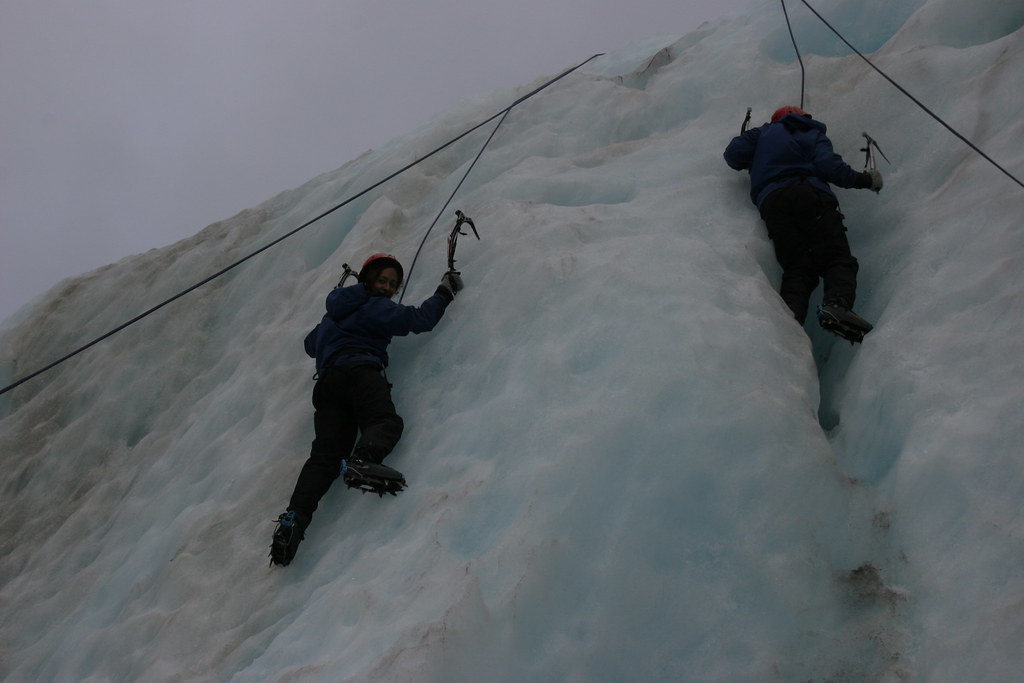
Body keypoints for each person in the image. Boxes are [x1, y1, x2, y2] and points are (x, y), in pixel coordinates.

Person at [270, 253, 463, 566]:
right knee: (385, 422)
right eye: (382, 280)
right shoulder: (376, 306)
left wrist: (334, 322)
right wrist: (445, 291)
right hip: (361, 371)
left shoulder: (332, 316)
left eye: (392, 283)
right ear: (368, 280)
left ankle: (293, 521)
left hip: (329, 384)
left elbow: (310, 344)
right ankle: (363, 460)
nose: (387, 287)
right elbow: (418, 320)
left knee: (324, 459)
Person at [723, 105, 882, 341]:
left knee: (798, 270)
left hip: (773, 204)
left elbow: (732, 155)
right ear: (802, 118)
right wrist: (865, 180)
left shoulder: (760, 134)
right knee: (836, 258)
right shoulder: (810, 133)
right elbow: (830, 167)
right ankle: (836, 305)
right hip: (810, 195)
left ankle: (787, 330)